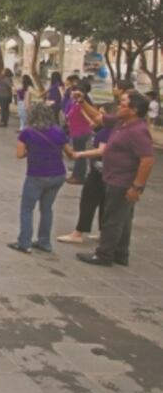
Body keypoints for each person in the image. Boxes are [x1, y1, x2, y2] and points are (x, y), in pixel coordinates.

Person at [73, 90, 155, 266]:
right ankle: (120, 252)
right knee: (123, 218)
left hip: (123, 182)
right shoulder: (121, 122)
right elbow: (99, 118)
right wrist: (82, 102)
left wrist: (136, 186)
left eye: (123, 104)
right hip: (114, 177)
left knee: (112, 219)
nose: (119, 106)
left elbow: (147, 160)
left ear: (133, 110)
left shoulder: (138, 130)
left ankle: (104, 254)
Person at [7, 103, 75, 254]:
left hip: (37, 174)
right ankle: (44, 242)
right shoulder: (58, 131)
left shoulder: (27, 133)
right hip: (57, 174)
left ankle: (24, 242)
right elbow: (70, 153)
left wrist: (31, 151)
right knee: (47, 209)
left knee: (27, 209)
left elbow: (19, 154)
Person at [58, 103, 115, 245]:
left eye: (101, 113)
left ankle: (79, 232)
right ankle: (103, 232)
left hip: (99, 171)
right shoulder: (108, 128)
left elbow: (102, 150)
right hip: (105, 170)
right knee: (103, 202)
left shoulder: (107, 131)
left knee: (88, 201)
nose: (98, 116)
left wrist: (80, 154)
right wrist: (83, 109)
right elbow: (92, 120)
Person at [65, 78, 94, 185]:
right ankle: (75, 174)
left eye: (74, 91)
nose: (71, 93)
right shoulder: (75, 103)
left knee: (79, 155)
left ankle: (79, 176)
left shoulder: (81, 104)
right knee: (77, 153)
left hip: (81, 132)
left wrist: (91, 123)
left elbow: (87, 116)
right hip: (75, 131)